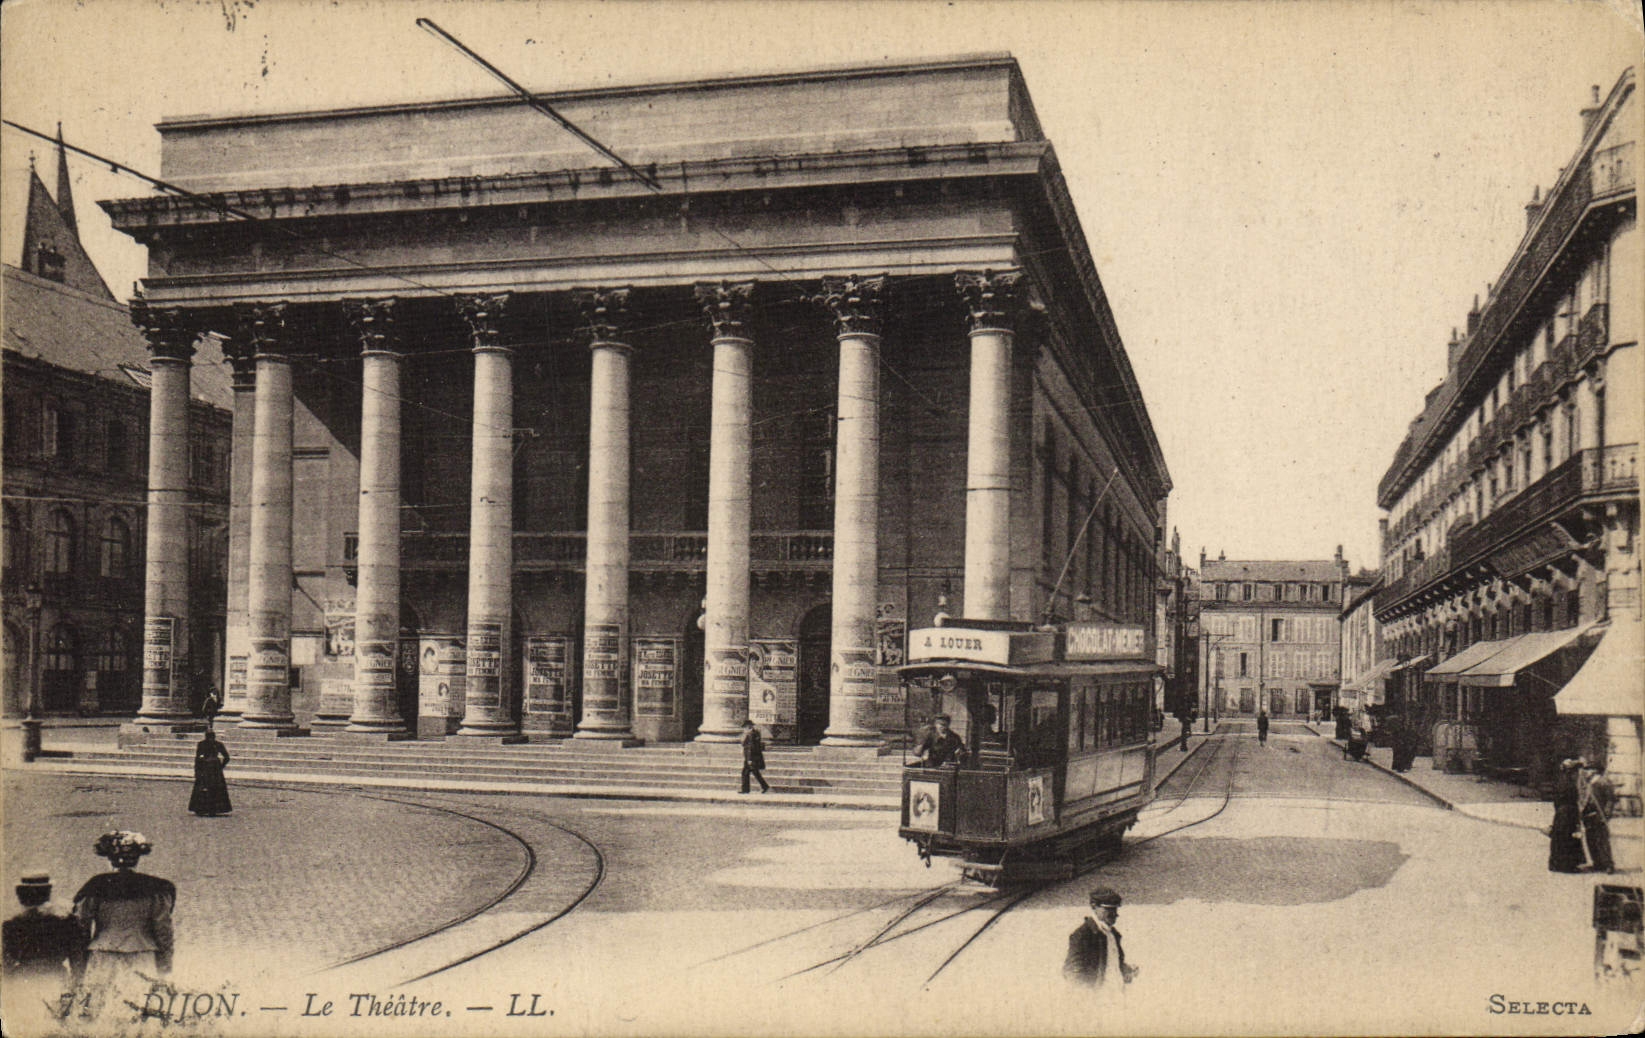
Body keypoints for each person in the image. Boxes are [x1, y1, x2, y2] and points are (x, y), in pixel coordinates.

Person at [72, 831, 175, 1023]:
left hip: (103, 954)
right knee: (141, 1008)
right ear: (137, 860)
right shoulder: (156, 889)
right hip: (142, 952)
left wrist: (80, 962)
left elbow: (81, 926)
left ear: (109, 859)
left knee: (99, 1010)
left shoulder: (95, 887)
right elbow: (163, 930)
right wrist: (165, 964)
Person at [3, 873, 85, 1024]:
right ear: (48, 893)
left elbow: (6, 963)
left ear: (21, 896)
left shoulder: (11, 925)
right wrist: (77, 986)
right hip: (56, 977)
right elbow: (77, 959)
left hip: (22, 981)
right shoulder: (66, 922)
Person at [1064, 887, 1138, 992]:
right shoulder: (1083, 934)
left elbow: (1110, 963)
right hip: (1097, 999)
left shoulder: (1113, 934)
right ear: (1094, 906)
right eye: (1108, 909)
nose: (1115, 914)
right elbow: (1072, 970)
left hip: (1116, 995)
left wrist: (1125, 970)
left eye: (1115, 909)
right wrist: (1086, 995)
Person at [1548, 759, 1586, 873]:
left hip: (1561, 813)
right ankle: (1567, 866)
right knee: (1567, 838)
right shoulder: (1568, 783)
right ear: (1571, 772)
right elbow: (1571, 799)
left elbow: (1556, 800)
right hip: (1567, 813)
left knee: (1559, 838)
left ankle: (1555, 864)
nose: (1577, 774)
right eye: (1575, 771)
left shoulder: (1561, 780)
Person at [1579, 759, 1616, 874]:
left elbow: (1611, 799)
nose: (1587, 772)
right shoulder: (1589, 782)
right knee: (1591, 839)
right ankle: (1597, 863)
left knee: (1602, 840)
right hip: (1588, 815)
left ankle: (1608, 864)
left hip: (1599, 814)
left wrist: (1607, 813)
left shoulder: (1604, 782)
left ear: (1595, 771)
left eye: (1589, 769)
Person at [189, 729, 233, 816]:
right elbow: (227, 757)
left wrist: (197, 770)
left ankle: (201, 808)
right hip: (215, 768)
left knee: (203, 787)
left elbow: (197, 758)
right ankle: (215, 808)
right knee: (215, 788)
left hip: (205, 767)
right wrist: (221, 766)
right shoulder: (218, 744)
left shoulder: (202, 744)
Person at [739, 719, 770, 794]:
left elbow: (750, 747)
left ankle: (746, 789)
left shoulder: (750, 734)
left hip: (750, 757)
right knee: (752, 772)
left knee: (747, 772)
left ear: (748, 726)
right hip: (753, 757)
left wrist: (749, 759)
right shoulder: (755, 733)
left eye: (745, 727)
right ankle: (764, 786)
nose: (744, 729)